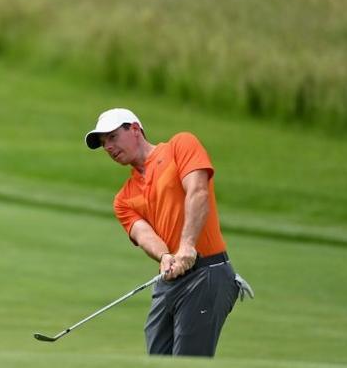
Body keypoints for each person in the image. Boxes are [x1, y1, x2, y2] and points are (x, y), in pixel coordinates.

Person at [84, 108, 253, 357]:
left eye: (112, 137)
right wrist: (165, 257)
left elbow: (198, 192)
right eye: (103, 143)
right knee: (157, 358)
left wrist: (187, 246)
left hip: (208, 273)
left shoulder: (180, 146)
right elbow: (144, 235)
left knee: (187, 361)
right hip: (169, 280)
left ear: (134, 129)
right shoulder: (124, 198)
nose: (108, 147)